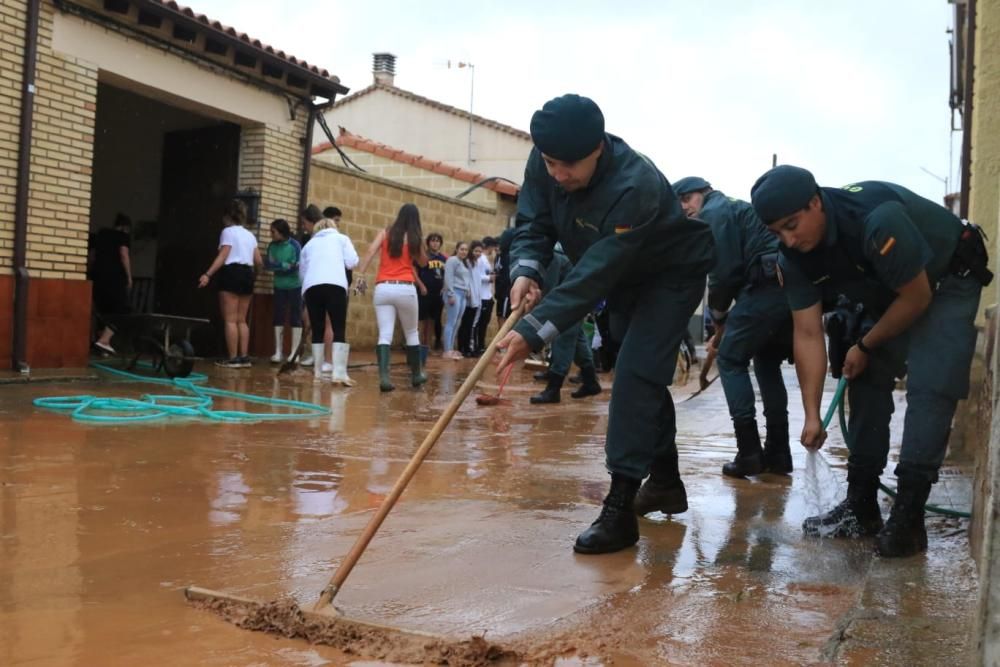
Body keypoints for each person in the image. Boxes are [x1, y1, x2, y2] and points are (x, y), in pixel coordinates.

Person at [496, 94, 715, 555]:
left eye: (569, 165)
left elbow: (595, 271)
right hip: (624, 281)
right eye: (551, 163)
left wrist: (536, 329)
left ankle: (619, 511)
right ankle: (666, 482)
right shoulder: (545, 160)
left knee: (636, 375)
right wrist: (526, 270)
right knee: (642, 377)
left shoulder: (635, 185)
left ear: (599, 148)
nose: (558, 175)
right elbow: (532, 221)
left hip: (669, 276)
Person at [750, 165, 989, 558]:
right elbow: (808, 333)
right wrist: (811, 414)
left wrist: (866, 343)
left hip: (945, 280)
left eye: (793, 225)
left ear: (815, 202)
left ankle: (909, 516)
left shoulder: (876, 221)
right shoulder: (793, 258)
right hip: (889, 289)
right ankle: (861, 504)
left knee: (931, 384)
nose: (789, 240)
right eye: (778, 233)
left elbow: (917, 299)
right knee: (865, 375)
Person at [673, 176, 794, 478]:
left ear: (704, 193)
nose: (685, 207)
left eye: (687, 199)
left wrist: (718, 316)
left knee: (729, 358)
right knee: (766, 361)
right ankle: (778, 453)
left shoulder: (714, 211)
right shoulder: (735, 209)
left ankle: (749, 452)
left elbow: (724, 272)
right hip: (785, 286)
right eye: (680, 203)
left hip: (767, 285)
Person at [357, 203, 429, 391]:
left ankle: (385, 379)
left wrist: (361, 274)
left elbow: (371, 251)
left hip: (383, 288)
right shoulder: (414, 238)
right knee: (412, 332)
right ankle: (416, 375)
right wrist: (417, 246)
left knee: (385, 334)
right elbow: (423, 262)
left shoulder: (385, 233)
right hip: (405, 288)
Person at [529, 245, 603, 404]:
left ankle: (553, 390)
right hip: (575, 300)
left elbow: (550, 291)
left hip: (569, 304)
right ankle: (591, 382)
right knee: (578, 342)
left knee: (563, 341)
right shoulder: (557, 255)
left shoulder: (555, 258)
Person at [198, 198, 263, 368]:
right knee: (242, 320)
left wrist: (208, 274)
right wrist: (253, 276)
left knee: (230, 320)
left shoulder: (228, 232)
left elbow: (223, 255)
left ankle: (233, 358)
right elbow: (259, 261)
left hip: (231, 274)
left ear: (227, 215)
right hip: (247, 275)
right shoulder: (250, 235)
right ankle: (244, 357)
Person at [299, 217, 359, 385]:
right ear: (333, 227)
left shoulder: (309, 245)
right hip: (336, 285)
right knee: (338, 327)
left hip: (312, 287)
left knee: (317, 328)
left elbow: (302, 273)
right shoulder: (342, 239)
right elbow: (352, 261)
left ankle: (317, 373)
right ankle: (339, 374)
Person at [90, 213, 133, 354]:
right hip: (115, 279)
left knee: (103, 311)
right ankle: (104, 341)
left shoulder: (102, 234)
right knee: (122, 311)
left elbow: (92, 252)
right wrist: (129, 276)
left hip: (97, 277)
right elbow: (124, 254)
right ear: (125, 227)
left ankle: (100, 346)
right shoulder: (123, 236)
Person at [264, 219, 303, 363]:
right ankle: (278, 352)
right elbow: (268, 264)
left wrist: (279, 265)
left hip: (295, 286)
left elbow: (296, 266)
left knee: (295, 317)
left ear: (281, 232)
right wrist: (284, 265)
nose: (271, 235)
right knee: (278, 316)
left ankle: (294, 353)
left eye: (273, 232)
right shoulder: (271, 246)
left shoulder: (295, 245)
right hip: (279, 286)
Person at [416, 232, 447, 360]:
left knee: (432, 320)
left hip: (437, 294)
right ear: (428, 243)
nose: (435, 243)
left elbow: (447, 275)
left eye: (437, 241)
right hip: (425, 292)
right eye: (433, 241)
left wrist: (445, 286)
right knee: (421, 319)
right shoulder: (424, 257)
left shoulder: (443, 259)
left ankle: (426, 347)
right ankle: (417, 346)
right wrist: (421, 285)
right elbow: (415, 272)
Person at [441, 241, 472, 360]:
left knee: (457, 322)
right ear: (457, 249)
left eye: (466, 250)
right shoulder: (452, 260)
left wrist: (468, 289)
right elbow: (448, 276)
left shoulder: (463, 263)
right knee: (451, 321)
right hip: (454, 293)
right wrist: (450, 293)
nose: (464, 252)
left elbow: (466, 279)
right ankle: (447, 350)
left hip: (463, 294)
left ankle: (451, 349)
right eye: (462, 249)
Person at [457, 240, 484, 357]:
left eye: (480, 251)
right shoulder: (467, 262)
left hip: (476, 299)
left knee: (470, 325)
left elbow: (477, 281)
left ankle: (468, 347)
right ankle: (462, 347)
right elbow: (467, 280)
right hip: (468, 298)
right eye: (476, 251)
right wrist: (468, 291)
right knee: (465, 324)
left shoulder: (476, 263)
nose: (478, 253)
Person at [474, 236, 498, 353]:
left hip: (488, 295)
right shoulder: (480, 259)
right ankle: (478, 345)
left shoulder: (487, 259)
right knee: (479, 323)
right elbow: (477, 276)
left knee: (484, 323)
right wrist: (489, 278)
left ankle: (481, 345)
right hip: (482, 296)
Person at [494, 226, 516, 328]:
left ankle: (502, 343)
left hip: (506, 293)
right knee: (500, 318)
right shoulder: (499, 256)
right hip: (500, 294)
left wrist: (502, 292)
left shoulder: (509, 256)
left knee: (504, 320)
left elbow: (507, 278)